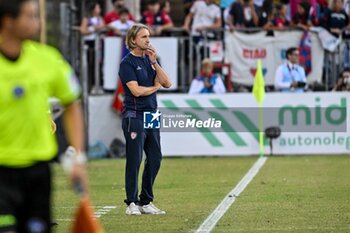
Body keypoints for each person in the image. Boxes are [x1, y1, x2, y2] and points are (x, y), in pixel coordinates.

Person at [0, 0, 89, 232]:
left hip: (38, 172)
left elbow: (71, 103)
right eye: (29, 16)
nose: (37, 23)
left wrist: (77, 158)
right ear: (8, 21)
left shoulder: (48, 59)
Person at [118, 23, 172, 215]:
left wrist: (154, 62)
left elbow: (167, 82)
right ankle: (131, 203)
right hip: (135, 115)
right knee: (135, 159)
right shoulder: (127, 63)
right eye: (144, 37)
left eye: (148, 36)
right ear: (133, 40)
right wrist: (154, 88)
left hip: (152, 114)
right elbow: (136, 91)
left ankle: (146, 202)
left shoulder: (151, 60)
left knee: (155, 157)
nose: (148, 40)